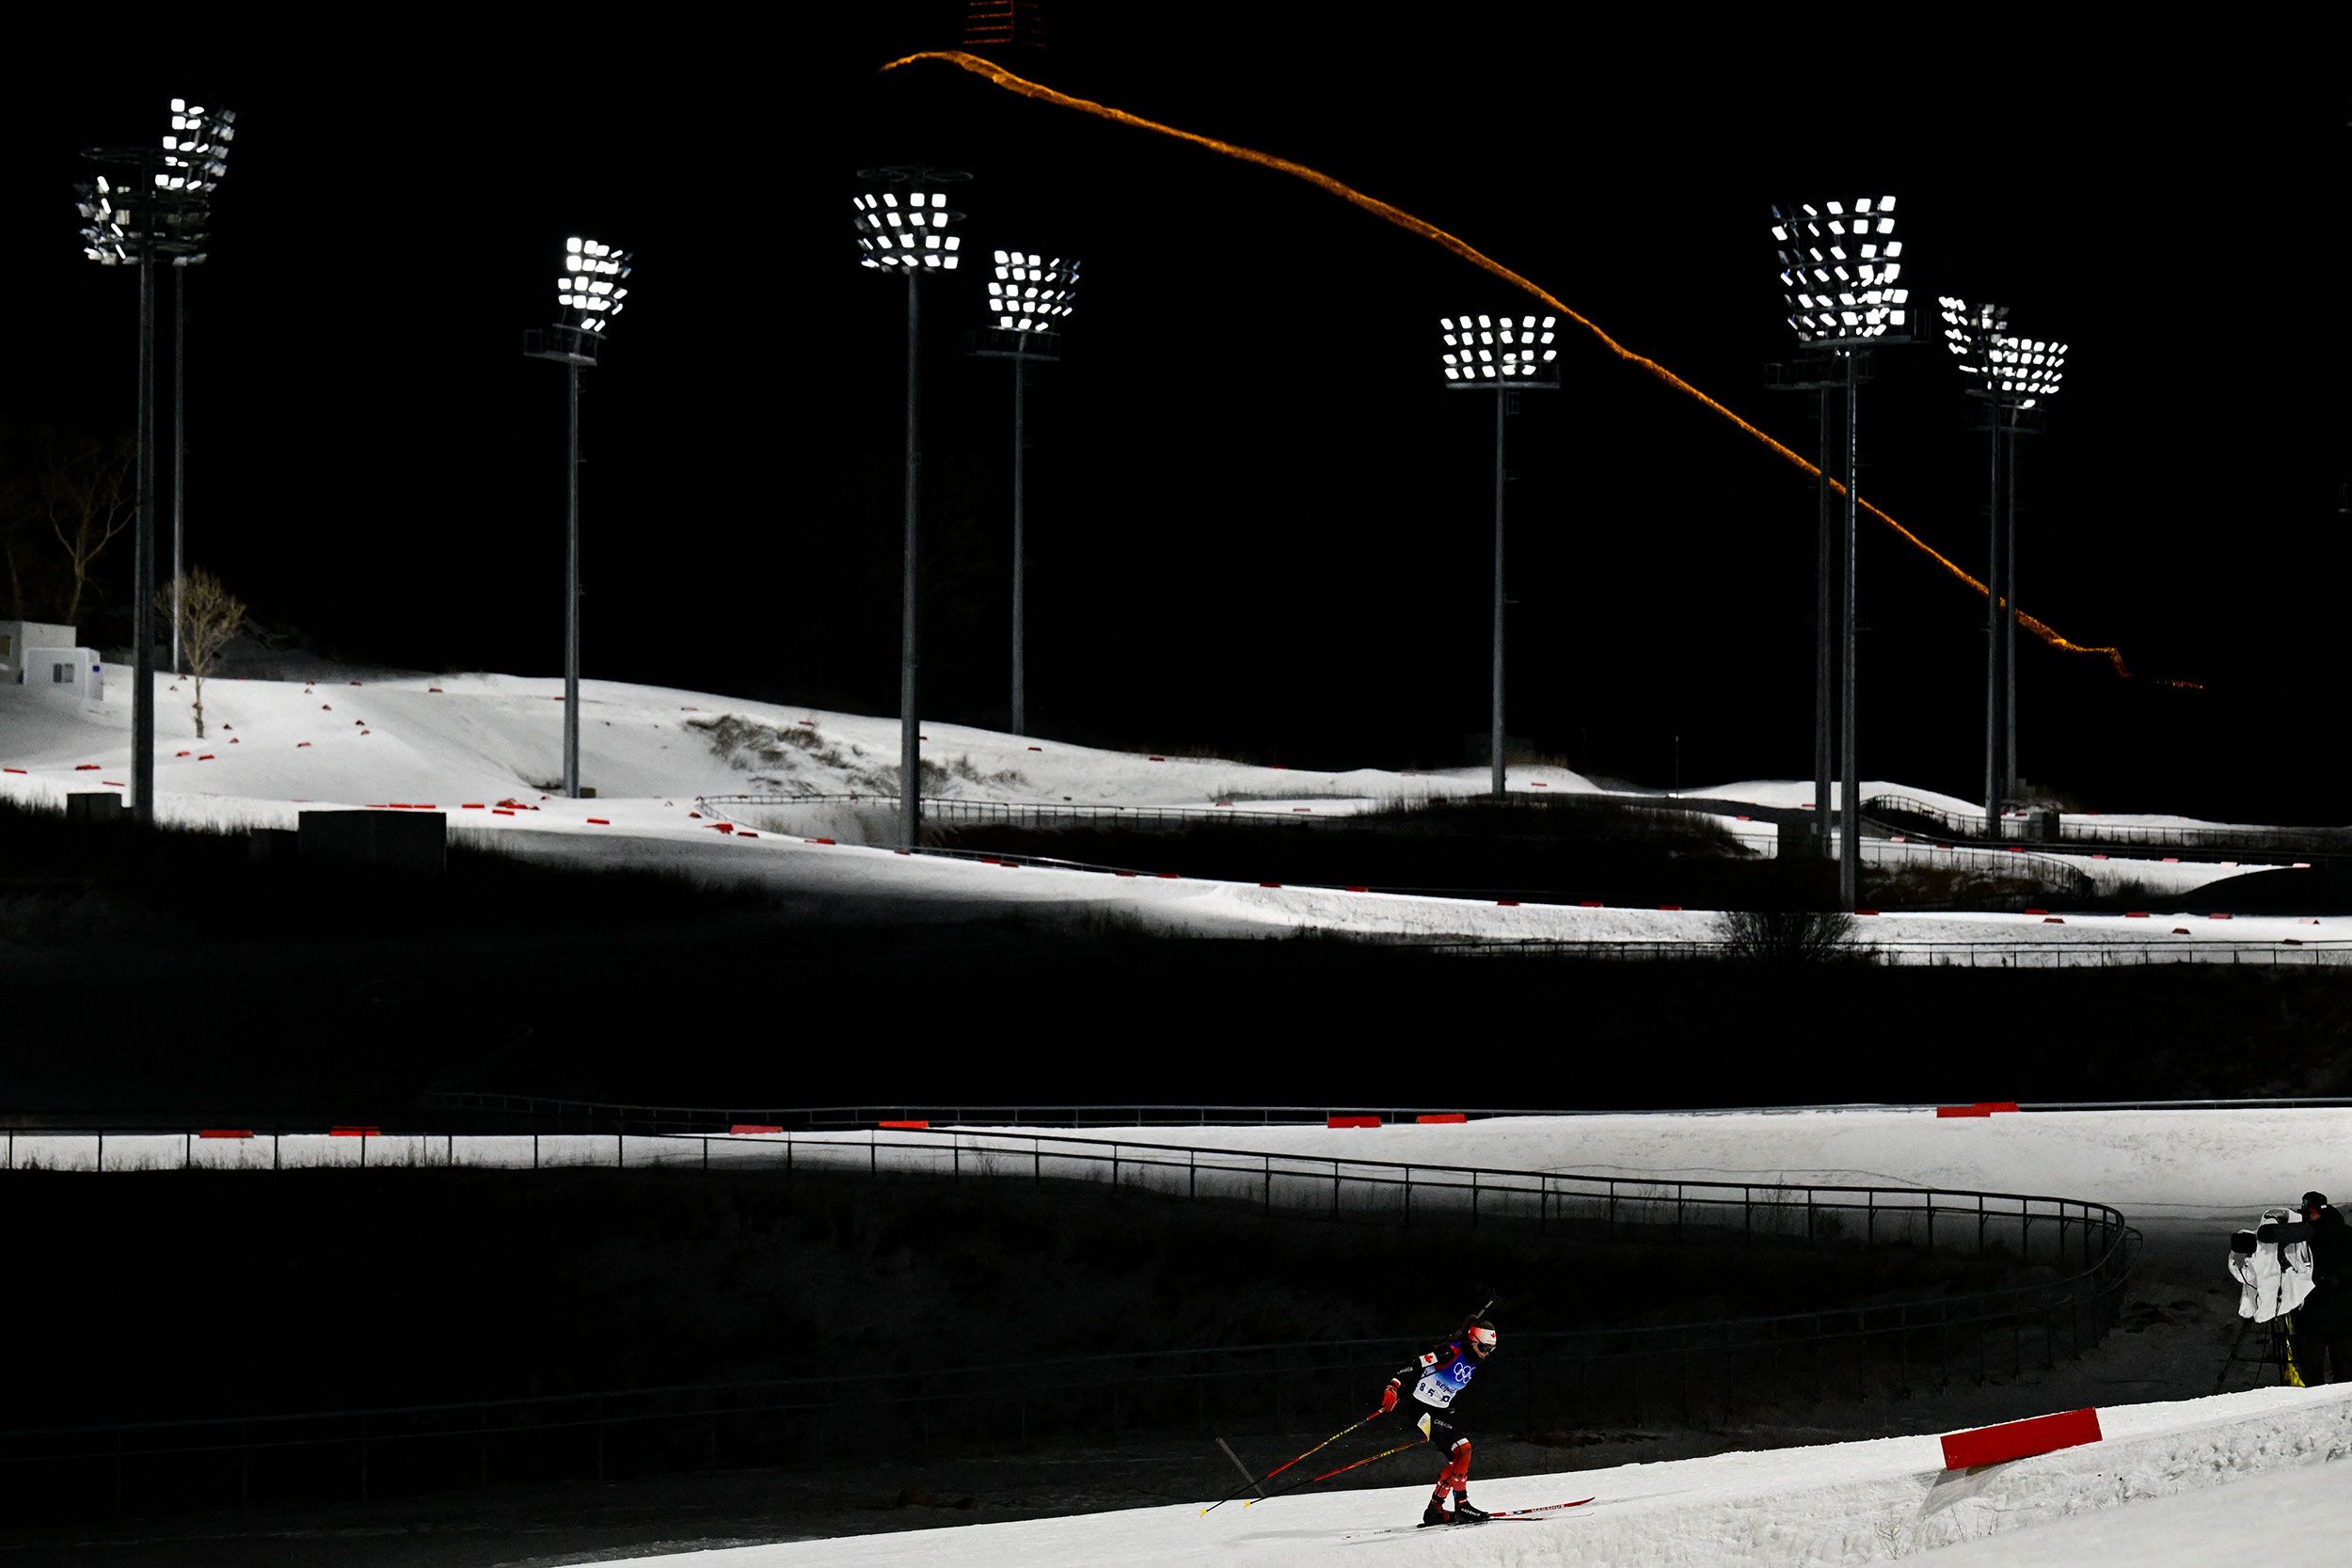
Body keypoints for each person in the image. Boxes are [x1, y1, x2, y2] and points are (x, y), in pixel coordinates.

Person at [1377, 1312, 1499, 1526]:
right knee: (1463, 1449)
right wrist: (1394, 1386)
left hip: (1442, 1411)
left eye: (1491, 1350)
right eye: (1484, 1348)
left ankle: (1435, 1509)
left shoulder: (1473, 1356)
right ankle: (1462, 1506)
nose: (1487, 1354)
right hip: (1422, 1410)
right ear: (1472, 1342)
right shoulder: (1450, 1352)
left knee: (1457, 1458)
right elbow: (1415, 1364)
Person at [2263, 1193, 2351, 1384]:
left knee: (2344, 1371)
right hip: (2312, 1316)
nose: (2309, 1216)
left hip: (2342, 1316)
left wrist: (2338, 1279)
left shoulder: (2344, 1234)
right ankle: (2313, 1404)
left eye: (2311, 1212)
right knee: (2311, 1370)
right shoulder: (2302, 1236)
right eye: (2306, 1212)